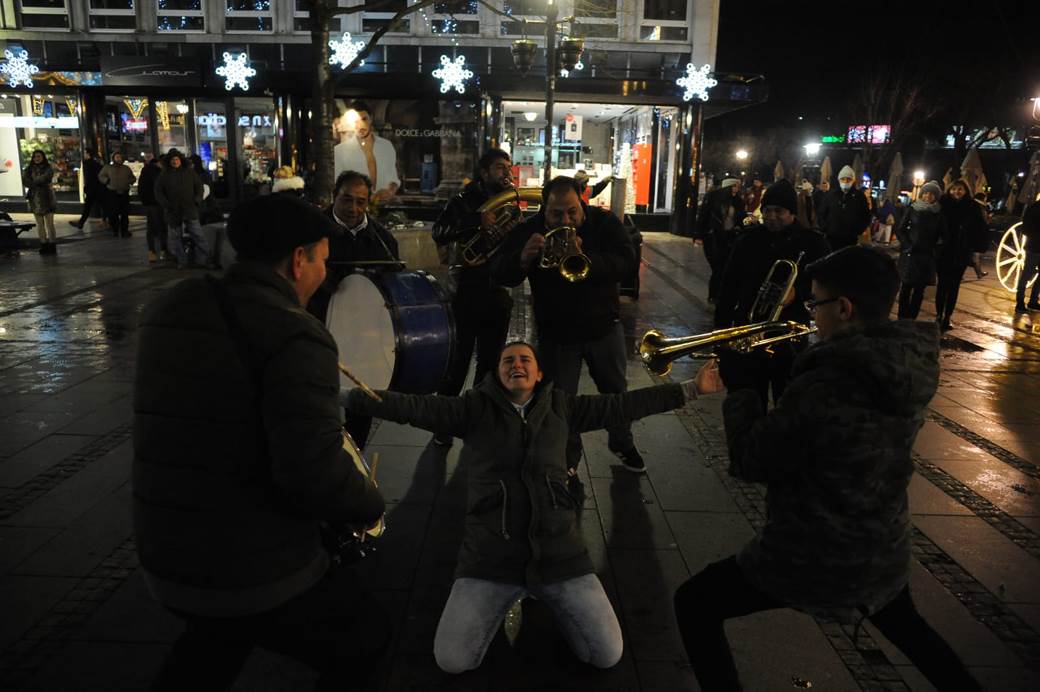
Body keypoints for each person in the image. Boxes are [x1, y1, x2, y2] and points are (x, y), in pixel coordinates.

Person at [673, 246, 980, 692]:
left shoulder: (831, 379)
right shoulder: (901, 362)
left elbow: (752, 459)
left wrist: (744, 388)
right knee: (913, 633)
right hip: (880, 541)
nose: (811, 314)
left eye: (815, 303)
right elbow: (825, 437)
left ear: (843, 307)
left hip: (816, 552)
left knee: (694, 603)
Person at [134, 193, 388, 690]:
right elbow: (311, 473)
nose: (322, 272)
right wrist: (369, 503)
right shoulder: (296, 335)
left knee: (215, 641)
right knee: (366, 638)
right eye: (321, 259)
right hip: (248, 567)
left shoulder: (171, 305)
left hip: (165, 549)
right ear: (298, 260)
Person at [343, 340, 720, 674]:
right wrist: (345, 396)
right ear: (496, 374)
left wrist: (691, 389)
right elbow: (410, 407)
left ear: (539, 373)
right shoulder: (473, 409)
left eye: (524, 359)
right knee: (453, 660)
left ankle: (548, 596)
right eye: (507, 361)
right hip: (490, 559)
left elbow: (624, 404)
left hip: (561, 557)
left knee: (606, 654)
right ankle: (514, 597)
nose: (516, 364)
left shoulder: (562, 407)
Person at [491, 176, 643, 473]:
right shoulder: (529, 230)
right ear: (543, 210)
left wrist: (586, 258)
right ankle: (568, 459)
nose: (567, 220)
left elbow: (627, 263)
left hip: (603, 327)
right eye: (556, 214)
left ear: (581, 202)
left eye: (572, 211)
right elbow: (498, 271)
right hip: (558, 331)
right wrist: (521, 259)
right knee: (561, 401)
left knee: (615, 391)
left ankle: (622, 442)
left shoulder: (603, 223)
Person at [713, 179, 830, 408]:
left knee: (787, 401)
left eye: (779, 211)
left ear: (792, 213)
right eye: (767, 211)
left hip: (790, 334)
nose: (772, 217)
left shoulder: (812, 243)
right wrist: (721, 335)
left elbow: (825, 284)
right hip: (749, 330)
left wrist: (797, 293)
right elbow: (728, 287)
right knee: (749, 400)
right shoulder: (748, 240)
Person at [430, 149, 516, 446]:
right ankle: (444, 423)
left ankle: (478, 419)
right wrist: (475, 222)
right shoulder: (462, 202)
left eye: (507, 167)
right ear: (484, 172)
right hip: (465, 290)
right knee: (457, 362)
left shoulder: (512, 202)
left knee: (490, 365)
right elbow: (439, 231)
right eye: (499, 168)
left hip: (497, 292)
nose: (505, 172)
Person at [308, 170, 400, 450]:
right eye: (347, 200)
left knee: (359, 409)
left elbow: (391, 289)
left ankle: (352, 462)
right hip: (318, 331)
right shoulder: (312, 232)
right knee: (317, 406)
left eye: (361, 202)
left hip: (362, 340)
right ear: (334, 196)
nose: (353, 208)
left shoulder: (382, 240)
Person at [936, 179, 987, 330]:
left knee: (954, 286)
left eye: (960, 189)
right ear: (949, 190)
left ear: (965, 191)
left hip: (962, 252)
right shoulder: (942, 205)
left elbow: (980, 229)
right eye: (954, 189)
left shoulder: (972, 207)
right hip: (944, 252)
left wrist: (975, 248)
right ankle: (939, 314)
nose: (956, 192)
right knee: (942, 284)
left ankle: (947, 316)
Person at [895, 181, 946, 320]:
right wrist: (907, 245)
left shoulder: (939, 213)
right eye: (926, 193)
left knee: (919, 290)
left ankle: (912, 318)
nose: (928, 196)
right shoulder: (912, 209)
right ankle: (901, 317)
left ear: (936, 196)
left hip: (926, 256)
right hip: (911, 253)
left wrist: (935, 251)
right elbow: (901, 229)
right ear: (922, 194)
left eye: (932, 194)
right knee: (905, 287)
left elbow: (943, 235)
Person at [333, 101, 399, 203]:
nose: (360, 125)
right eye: (355, 121)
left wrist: (390, 191)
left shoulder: (386, 146)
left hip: (384, 205)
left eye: (364, 119)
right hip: (355, 207)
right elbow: (338, 183)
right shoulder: (340, 150)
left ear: (371, 118)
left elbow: (393, 178)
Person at [155, 149, 208, 269]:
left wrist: (197, 200)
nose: (175, 161)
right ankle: (181, 260)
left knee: (198, 234)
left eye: (177, 159)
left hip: (189, 208)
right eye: (173, 160)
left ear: (180, 160)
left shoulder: (189, 172)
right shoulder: (163, 175)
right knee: (175, 238)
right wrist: (166, 205)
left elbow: (199, 186)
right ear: (169, 161)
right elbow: (158, 192)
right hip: (172, 210)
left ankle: (205, 259)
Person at [695, 177, 745, 303]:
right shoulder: (713, 198)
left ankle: (721, 294)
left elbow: (740, 217)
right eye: (733, 186)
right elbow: (703, 216)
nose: (736, 189)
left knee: (724, 267)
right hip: (714, 237)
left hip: (730, 237)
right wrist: (698, 235)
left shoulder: (738, 201)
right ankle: (714, 294)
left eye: (737, 186)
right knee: (718, 266)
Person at [817, 165, 871, 249]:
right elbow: (821, 213)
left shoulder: (859, 196)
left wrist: (858, 230)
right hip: (831, 238)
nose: (845, 181)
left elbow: (866, 216)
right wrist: (825, 228)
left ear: (853, 180)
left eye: (849, 179)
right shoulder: (831, 195)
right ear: (839, 180)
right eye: (843, 179)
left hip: (850, 239)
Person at [22, 149, 58, 255]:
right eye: (35, 157)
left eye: (39, 156)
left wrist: (34, 182)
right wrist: (34, 184)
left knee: (49, 224)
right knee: (39, 224)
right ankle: (43, 244)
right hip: (34, 199)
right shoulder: (29, 169)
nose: (37, 158)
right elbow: (25, 180)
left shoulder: (48, 168)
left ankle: (52, 245)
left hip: (47, 197)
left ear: (43, 157)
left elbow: (46, 178)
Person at [98, 151, 136, 238]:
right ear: (114, 158)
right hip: (112, 193)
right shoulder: (108, 168)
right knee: (113, 213)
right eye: (117, 157)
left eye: (120, 157)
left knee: (124, 214)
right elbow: (101, 176)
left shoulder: (126, 168)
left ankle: (124, 231)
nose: (118, 159)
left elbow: (132, 178)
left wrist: (129, 181)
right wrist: (107, 181)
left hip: (124, 193)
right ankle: (115, 230)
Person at [137, 156, 167, 263]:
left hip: (153, 203)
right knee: (158, 227)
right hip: (154, 203)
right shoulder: (153, 171)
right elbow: (143, 188)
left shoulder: (149, 170)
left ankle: (155, 251)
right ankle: (159, 250)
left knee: (155, 227)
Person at [1015, 193, 1040, 314]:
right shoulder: (1034, 208)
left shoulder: (1033, 207)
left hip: (1034, 245)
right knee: (1027, 274)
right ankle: (1020, 301)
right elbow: (1026, 228)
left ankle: (1033, 301)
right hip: (1034, 247)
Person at [70, 149, 104, 231]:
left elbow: (89, 178)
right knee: (101, 205)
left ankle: (81, 222)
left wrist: (86, 187)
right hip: (98, 188)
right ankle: (82, 222)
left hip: (92, 189)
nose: (84, 155)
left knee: (88, 206)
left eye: (85, 153)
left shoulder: (88, 164)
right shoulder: (97, 163)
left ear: (88, 154)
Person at [970, 192, 991, 279]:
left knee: (972, 256)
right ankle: (979, 273)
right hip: (976, 235)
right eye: (985, 199)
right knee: (975, 256)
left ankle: (979, 273)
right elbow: (984, 222)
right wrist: (988, 219)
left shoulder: (972, 205)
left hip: (972, 234)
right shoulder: (980, 207)